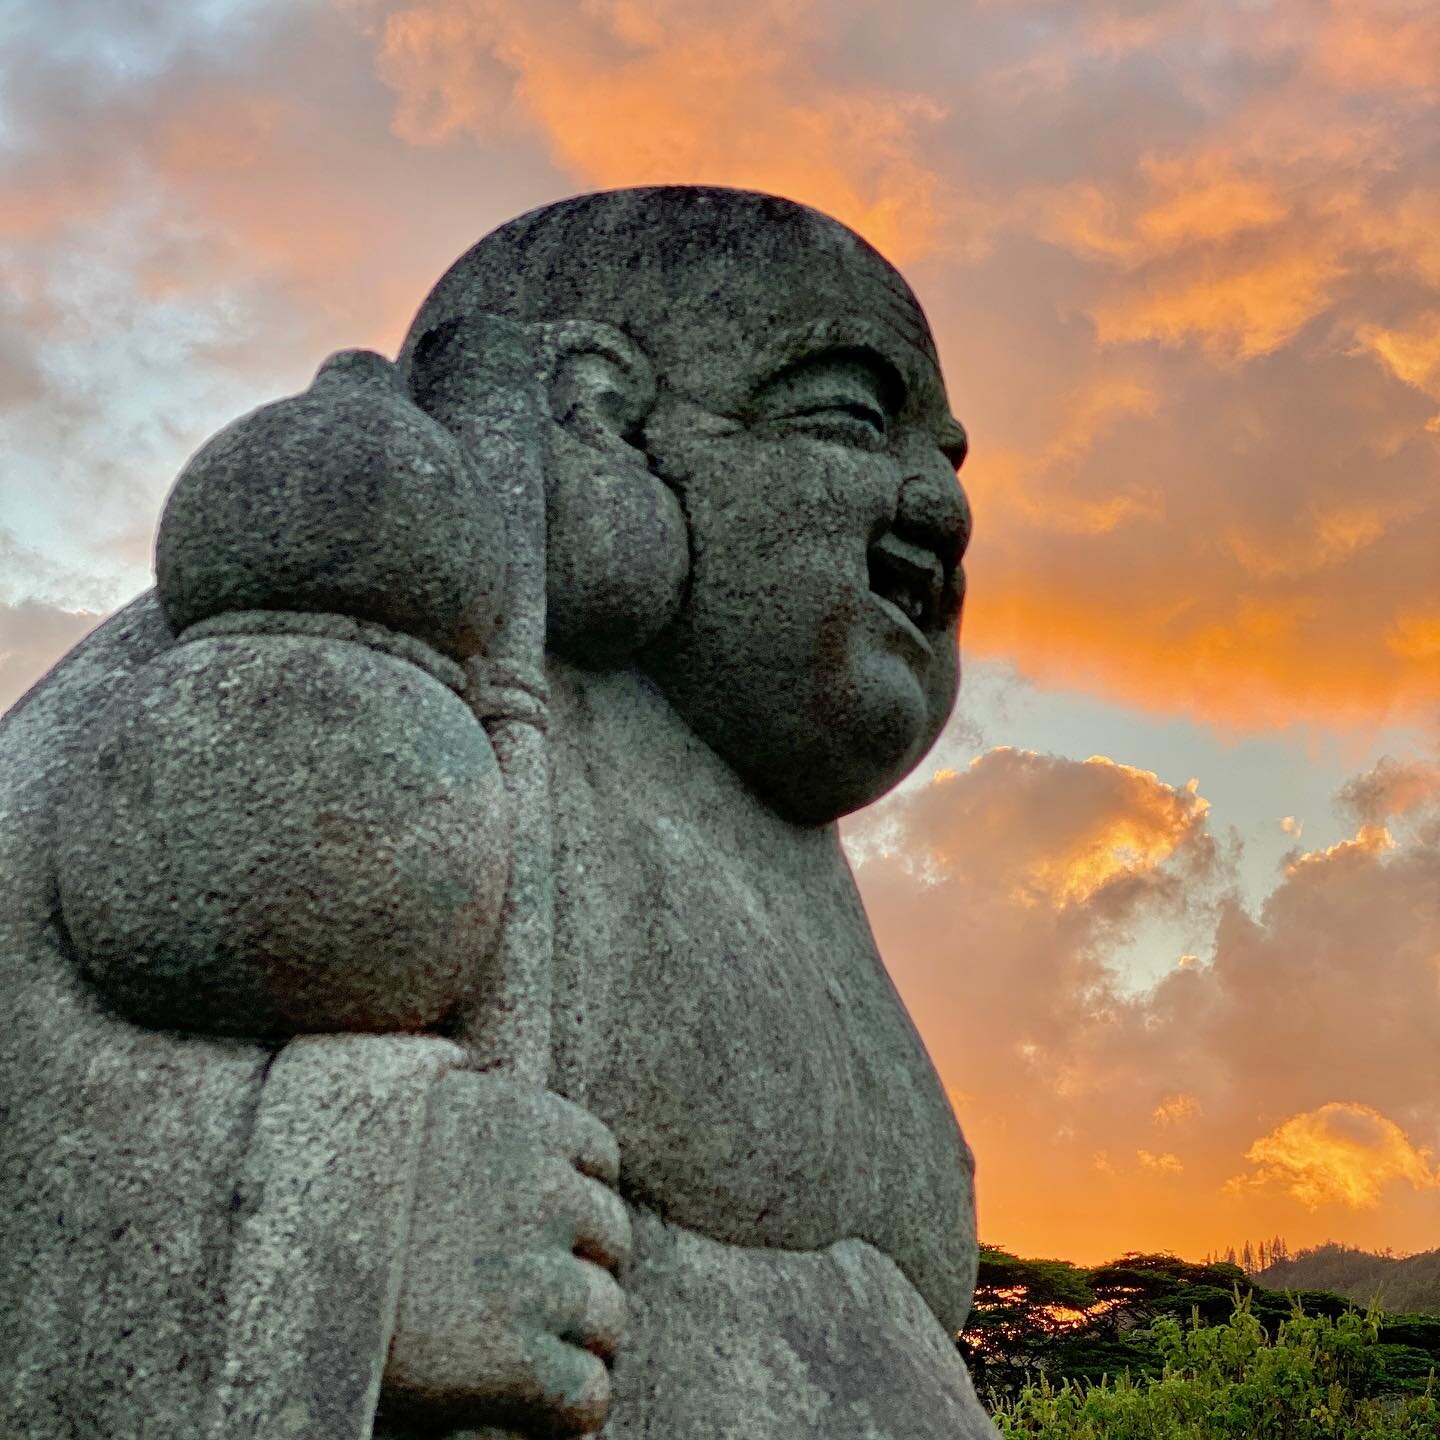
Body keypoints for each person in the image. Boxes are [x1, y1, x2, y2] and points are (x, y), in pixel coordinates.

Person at [0, 186, 994, 1439]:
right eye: (853, 418)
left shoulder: (790, 858)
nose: (942, 506)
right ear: (599, 410)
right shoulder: (340, 640)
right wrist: (339, 1237)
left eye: (945, 458)